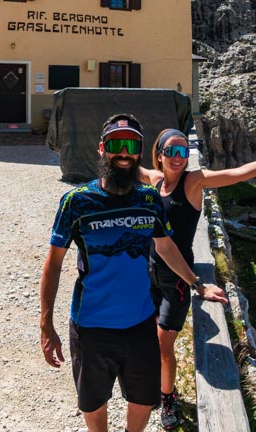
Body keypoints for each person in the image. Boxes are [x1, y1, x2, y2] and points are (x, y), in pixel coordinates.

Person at [40, 113, 227, 432]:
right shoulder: (77, 201)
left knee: (143, 401)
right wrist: (46, 324)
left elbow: (167, 247)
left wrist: (197, 285)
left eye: (131, 145)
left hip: (141, 325)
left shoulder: (147, 199)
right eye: (116, 144)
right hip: (91, 327)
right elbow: (54, 262)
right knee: (94, 404)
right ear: (102, 149)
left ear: (141, 151)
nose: (123, 152)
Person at [145, 130, 256, 430]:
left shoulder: (193, 181)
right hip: (150, 273)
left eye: (182, 153)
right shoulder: (155, 181)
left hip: (179, 280)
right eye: (171, 152)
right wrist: (111, 153)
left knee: (164, 345)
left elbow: (237, 173)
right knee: (149, 337)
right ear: (159, 155)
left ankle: (167, 398)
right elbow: (130, 168)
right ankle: (156, 384)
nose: (177, 158)